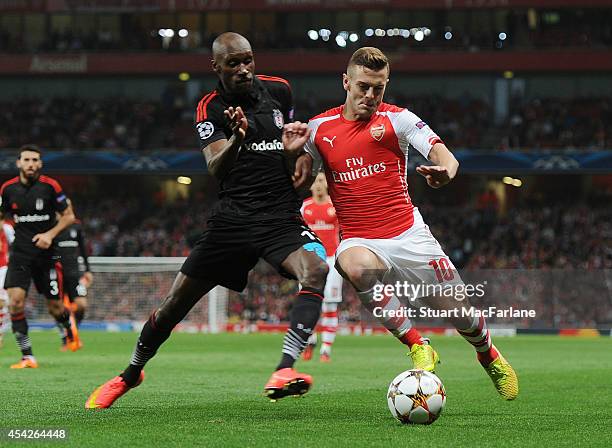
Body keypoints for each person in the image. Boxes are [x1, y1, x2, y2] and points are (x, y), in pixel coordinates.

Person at [86, 32, 328, 409]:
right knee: (173, 306)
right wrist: (236, 138)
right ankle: (130, 374)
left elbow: (287, 148)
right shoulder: (210, 107)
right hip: (232, 221)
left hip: (279, 216)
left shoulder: (280, 91)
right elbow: (215, 166)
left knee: (315, 270)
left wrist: (296, 153)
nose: (244, 69)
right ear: (216, 66)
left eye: (248, 59)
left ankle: (284, 368)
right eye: (234, 63)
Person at [297, 47, 518, 400]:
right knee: (352, 264)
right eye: (363, 87)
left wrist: (446, 171)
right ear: (346, 82)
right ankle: (418, 345)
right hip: (359, 238)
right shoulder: (318, 130)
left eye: (378, 88)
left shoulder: (398, 119)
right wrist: (287, 151)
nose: (370, 95)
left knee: (462, 314)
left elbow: (444, 155)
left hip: (409, 235)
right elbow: (294, 177)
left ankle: (488, 354)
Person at [0, 145, 77, 368]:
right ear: (18, 163)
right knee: (15, 303)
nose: (31, 164)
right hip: (20, 255)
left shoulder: (50, 187)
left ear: (40, 164)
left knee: (55, 308)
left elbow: (69, 216)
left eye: (35, 160)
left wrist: (49, 234)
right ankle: (28, 357)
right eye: (27, 160)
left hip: (47, 256)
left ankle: (67, 327)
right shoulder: (7, 189)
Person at [301, 173, 343, 362]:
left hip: (331, 259)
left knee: (329, 304)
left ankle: (326, 349)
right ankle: (310, 343)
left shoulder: (335, 205)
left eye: (321, 181)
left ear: (327, 184)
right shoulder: (305, 207)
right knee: (309, 303)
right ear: (310, 186)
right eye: (315, 181)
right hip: (309, 260)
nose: (318, 185)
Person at [55, 213, 92, 350]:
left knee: (81, 304)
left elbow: (83, 250)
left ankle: (72, 330)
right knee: (57, 307)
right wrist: (56, 260)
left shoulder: (76, 226)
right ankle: (66, 337)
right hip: (57, 272)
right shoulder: (52, 225)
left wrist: (88, 270)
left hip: (74, 273)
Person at [0, 215, 15, 349]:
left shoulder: (7, 229)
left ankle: (1, 333)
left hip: (2, 269)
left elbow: (16, 244)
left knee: (2, 301)